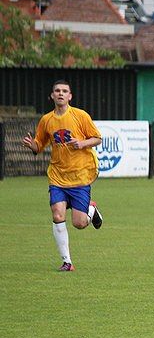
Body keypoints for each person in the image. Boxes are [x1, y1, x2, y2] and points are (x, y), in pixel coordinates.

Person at [21, 79, 104, 272]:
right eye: (57, 91)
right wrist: (32, 145)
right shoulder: (46, 120)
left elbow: (97, 138)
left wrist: (82, 143)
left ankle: (91, 209)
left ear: (70, 96)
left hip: (79, 176)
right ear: (52, 95)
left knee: (79, 223)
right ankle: (67, 262)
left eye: (64, 91)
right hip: (57, 176)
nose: (60, 93)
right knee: (57, 214)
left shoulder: (80, 116)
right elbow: (39, 145)